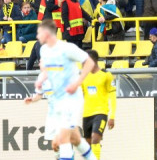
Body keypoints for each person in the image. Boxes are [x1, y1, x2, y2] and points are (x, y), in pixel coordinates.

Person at [24, 20, 97, 160]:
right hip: (58, 101)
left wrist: (77, 83)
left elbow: (89, 62)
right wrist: (40, 80)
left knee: (63, 139)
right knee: (75, 139)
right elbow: (47, 70)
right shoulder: (44, 50)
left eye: (39, 33)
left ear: (46, 33)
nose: (37, 36)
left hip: (71, 99)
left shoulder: (67, 48)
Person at [81, 50, 116, 160]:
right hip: (87, 114)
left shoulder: (106, 75)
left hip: (101, 112)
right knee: (88, 144)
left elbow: (112, 94)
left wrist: (112, 116)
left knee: (95, 138)